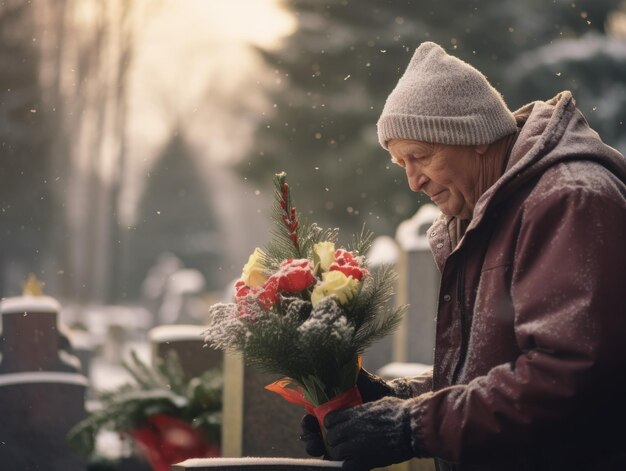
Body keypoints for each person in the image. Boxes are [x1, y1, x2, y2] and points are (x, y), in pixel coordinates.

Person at [299, 41, 626, 471]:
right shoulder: (492, 211)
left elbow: (567, 377)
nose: (413, 181)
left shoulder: (568, 200)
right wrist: (396, 399)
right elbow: (492, 368)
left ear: (474, 137)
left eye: (420, 156)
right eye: (402, 164)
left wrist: (413, 425)